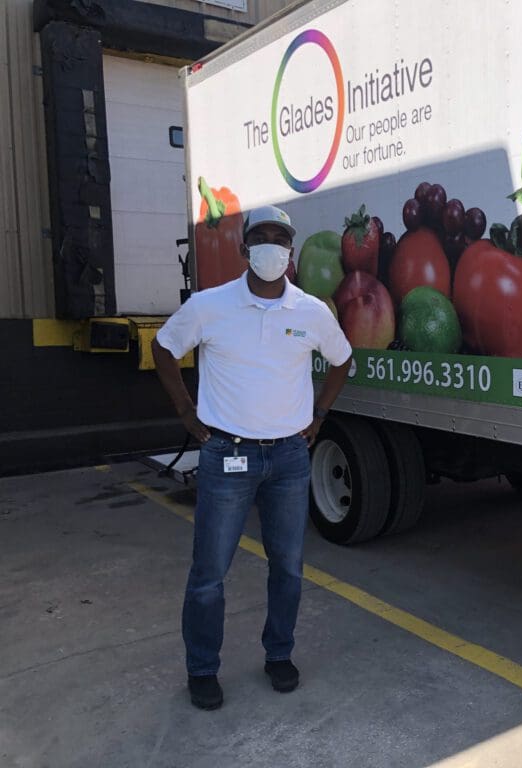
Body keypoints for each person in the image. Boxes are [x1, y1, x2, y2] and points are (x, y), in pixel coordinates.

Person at [152, 204, 353, 711]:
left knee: (288, 568)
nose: (271, 247)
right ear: (244, 249)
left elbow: (343, 359)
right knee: (209, 574)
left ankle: (279, 654)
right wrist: (185, 410)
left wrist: (320, 414)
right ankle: (202, 668)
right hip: (226, 456)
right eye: (261, 238)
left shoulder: (311, 311)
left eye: (279, 239)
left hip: (289, 458)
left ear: (291, 251)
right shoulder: (210, 306)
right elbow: (164, 347)